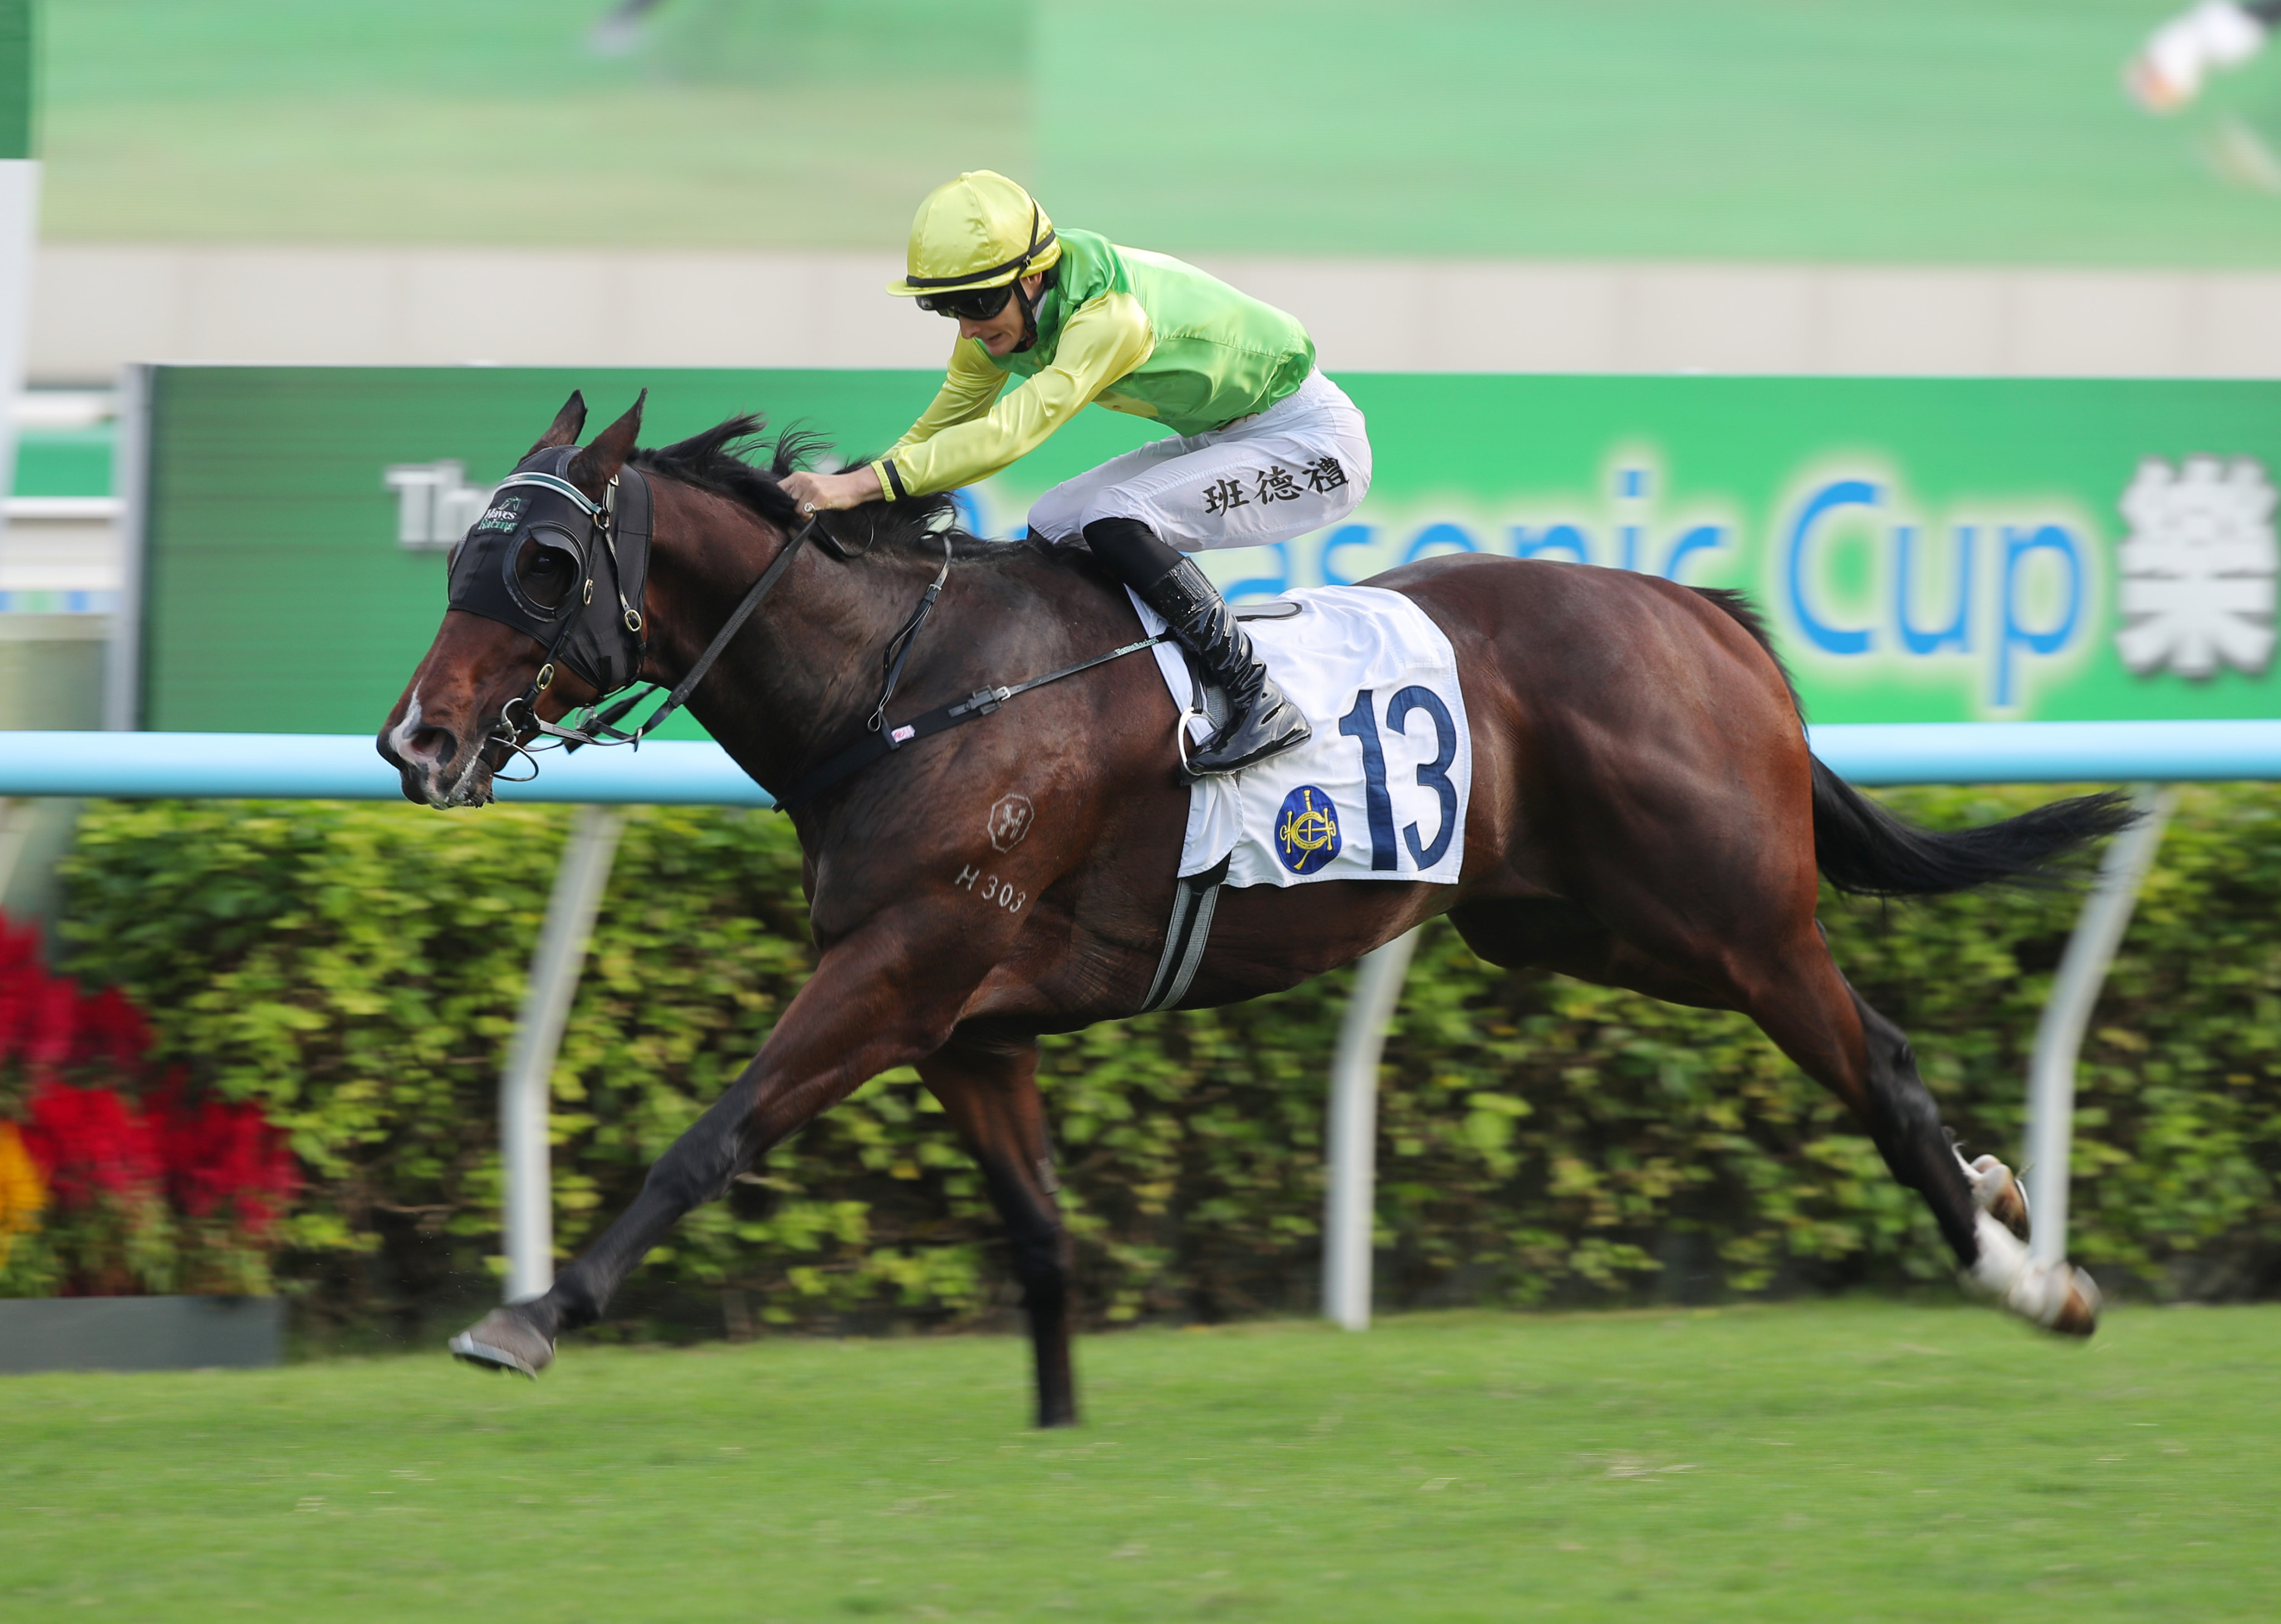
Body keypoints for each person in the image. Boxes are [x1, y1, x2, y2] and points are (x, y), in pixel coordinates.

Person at [781, 171, 1371, 779]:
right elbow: (938, 429)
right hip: (1224, 432)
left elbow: (1013, 432)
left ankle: (1257, 696)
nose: (967, 328)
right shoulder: (997, 328)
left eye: (978, 304)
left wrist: (856, 487)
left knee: (1113, 518)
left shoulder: (1109, 317)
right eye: (946, 307)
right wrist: (854, 497)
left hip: (1310, 442)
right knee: (1053, 522)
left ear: (1032, 277)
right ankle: (1106, 688)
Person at [2128, 1, 2280, 111]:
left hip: (2223, 29)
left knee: (2267, 12)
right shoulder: (2165, 56)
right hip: (2226, 32)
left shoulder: (2165, 55)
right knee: (2267, 13)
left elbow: (2178, 91)